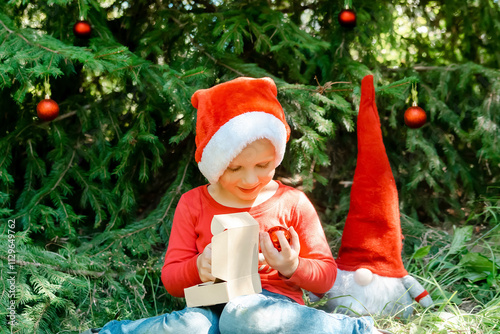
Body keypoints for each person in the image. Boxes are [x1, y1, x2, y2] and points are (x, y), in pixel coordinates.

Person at [83, 77, 380, 334]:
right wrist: (200, 266)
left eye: (263, 164)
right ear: (214, 164)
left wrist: (292, 266)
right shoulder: (193, 204)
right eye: (235, 168)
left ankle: (356, 329)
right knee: (192, 326)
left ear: (276, 155)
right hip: (210, 304)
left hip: (270, 308)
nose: (251, 179)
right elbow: (172, 280)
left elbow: (326, 278)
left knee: (243, 316)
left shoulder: (292, 203)